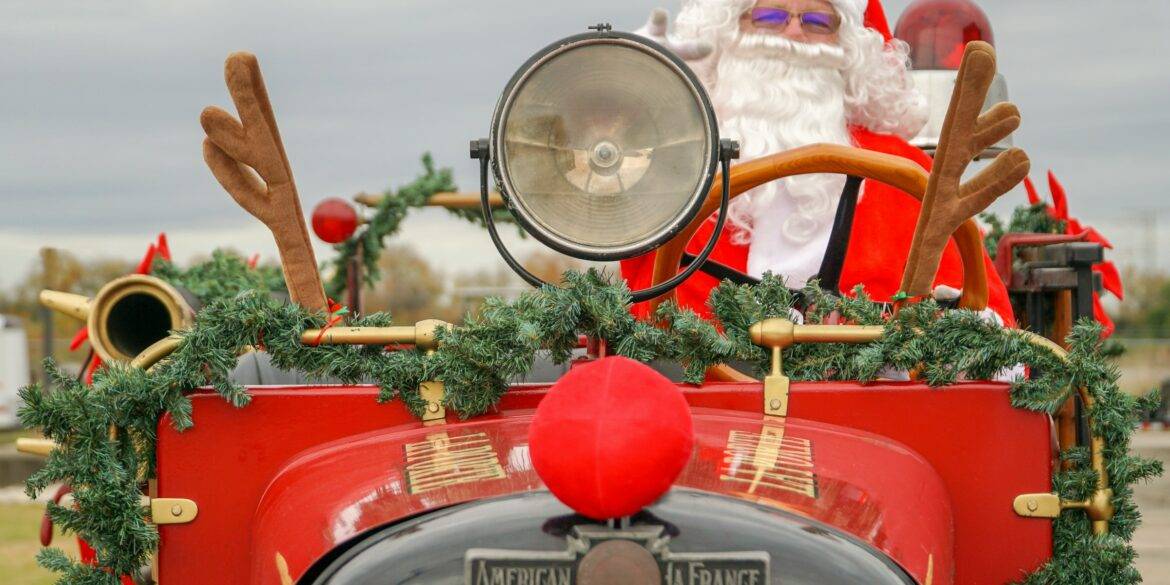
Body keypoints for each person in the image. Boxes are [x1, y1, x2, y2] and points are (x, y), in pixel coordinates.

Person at [621, 0, 1015, 325]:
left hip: (870, 413)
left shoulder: (903, 172)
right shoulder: (674, 162)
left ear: (848, 49)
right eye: (770, 17)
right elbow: (605, 212)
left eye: (817, 21)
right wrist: (637, 94)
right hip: (703, 406)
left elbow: (988, 328)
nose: (794, 33)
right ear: (727, 32)